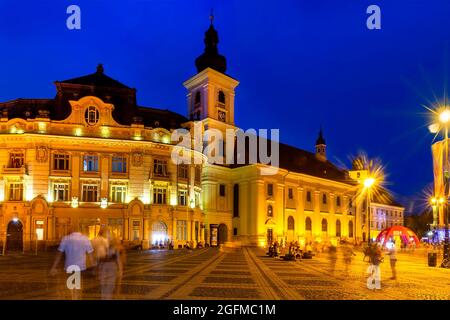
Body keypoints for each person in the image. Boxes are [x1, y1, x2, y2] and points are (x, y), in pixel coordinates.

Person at [49, 226, 94, 300]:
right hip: (80, 267)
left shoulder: (66, 239)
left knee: (71, 287)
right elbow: (90, 253)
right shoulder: (85, 239)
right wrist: (93, 265)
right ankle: (77, 297)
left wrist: (54, 267)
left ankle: (74, 297)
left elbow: (59, 254)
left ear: (71, 230)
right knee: (78, 286)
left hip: (69, 266)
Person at [97, 229, 124, 300]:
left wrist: (120, 271)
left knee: (107, 288)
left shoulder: (113, 248)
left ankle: (105, 298)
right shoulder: (109, 248)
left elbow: (99, 260)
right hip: (109, 269)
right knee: (107, 287)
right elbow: (118, 260)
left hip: (108, 269)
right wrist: (120, 271)